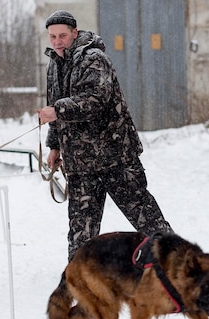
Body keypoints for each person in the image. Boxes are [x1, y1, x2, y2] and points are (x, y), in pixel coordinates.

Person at [38, 10, 173, 261]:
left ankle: (177, 263)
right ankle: (79, 281)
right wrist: (55, 146)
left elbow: (95, 100)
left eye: (63, 35)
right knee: (81, 233)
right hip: (80, 163)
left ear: (75, 33)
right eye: (52, 36)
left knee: (147, 219)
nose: (57, 41)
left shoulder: (94, 58)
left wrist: (58, 110)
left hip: (115, 157)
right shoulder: (53, 65)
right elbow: (55, 107)